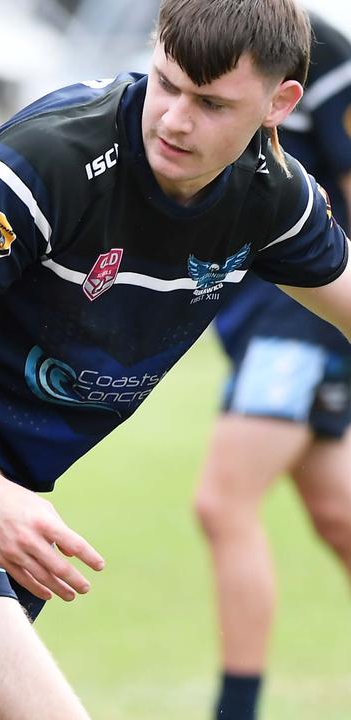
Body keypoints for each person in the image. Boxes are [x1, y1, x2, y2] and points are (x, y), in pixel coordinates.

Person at [0, 0, 351, 717]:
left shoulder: (273, 198)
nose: (175, 119)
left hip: (2, 504)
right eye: (167, 83)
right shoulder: (54, 158)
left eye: (210, 103)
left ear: (280, 103)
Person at [196, 10, 351, 719]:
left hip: (305, 315)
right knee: (337, 513)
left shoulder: (322, 48)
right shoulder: (196, 29)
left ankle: (236, 711)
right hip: (256, 314)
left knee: (224, 502)